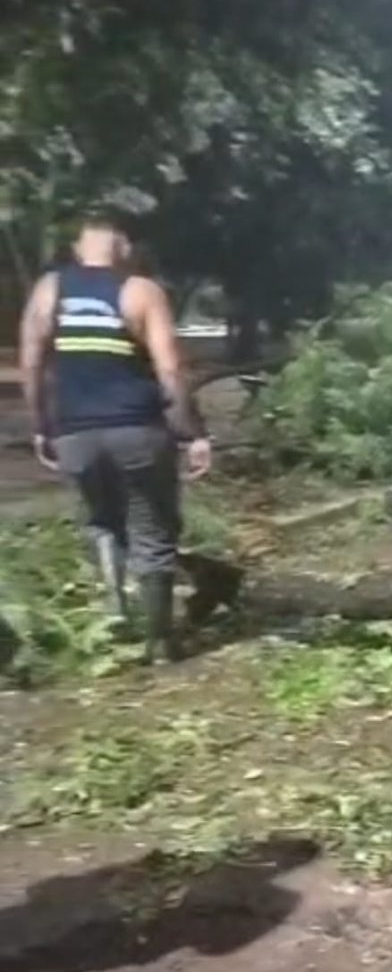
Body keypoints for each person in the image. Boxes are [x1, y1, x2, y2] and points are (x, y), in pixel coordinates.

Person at [18, 214, 212, 664]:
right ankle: (161, 641)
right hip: (138, 430)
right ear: (121, 244)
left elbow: (31, 363)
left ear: (77, 246)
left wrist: (43, 426)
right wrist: (194, 432)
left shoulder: (49, 290)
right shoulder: (141, 291)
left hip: (76, 434)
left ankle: (115, 616)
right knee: (152, 528)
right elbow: (169, 369)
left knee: (101, 521)